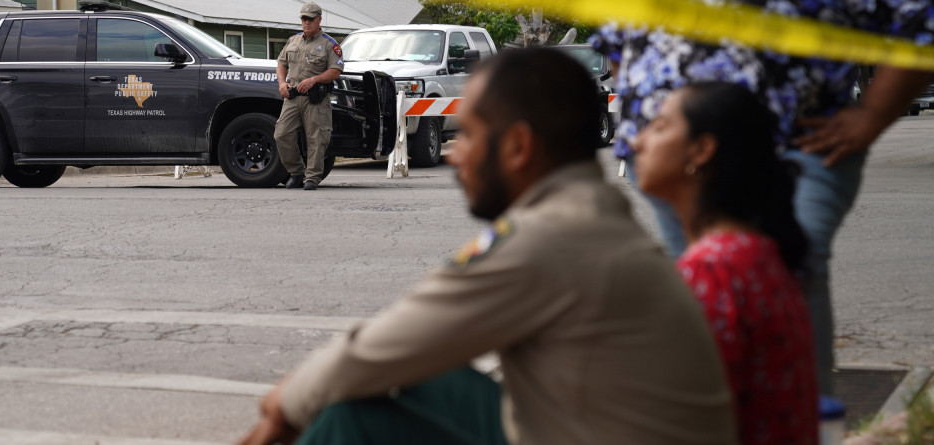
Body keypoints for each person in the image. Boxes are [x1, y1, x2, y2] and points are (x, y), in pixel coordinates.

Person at [239, 48, 737, 445]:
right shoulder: (589, 212)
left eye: (471, 136)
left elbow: (382, 349)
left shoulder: (552, 239)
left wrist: (283, 404)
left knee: (349, 411)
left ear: (519, 146)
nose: (456, 158)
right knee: (400, 378)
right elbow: (401, 345)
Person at [592, 0, 934, 393]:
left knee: (782, 277)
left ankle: (802, 419)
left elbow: (920, 18)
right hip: (675, 161)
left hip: (792, 153)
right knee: (701, 292)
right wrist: (649, 117)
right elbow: (618, 39)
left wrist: (871, 116)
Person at [632, 82, 818, 445]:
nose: (638, 142)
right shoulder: (757, 252)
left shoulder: (711, 271)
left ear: (701, 150)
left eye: (659, 127)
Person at [275, 2, 345, 191]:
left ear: (319, 20)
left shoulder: (329, 44)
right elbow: (281, 64)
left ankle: (312, 177)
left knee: (316, 137)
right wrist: (282, 83)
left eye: (310, 19)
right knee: (281, 134)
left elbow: (335, 70)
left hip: (316, 98)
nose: (306, 23)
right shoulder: (293, 40)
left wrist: (314, 80)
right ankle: (297, 172)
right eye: (303, 19)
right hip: (292, 96)